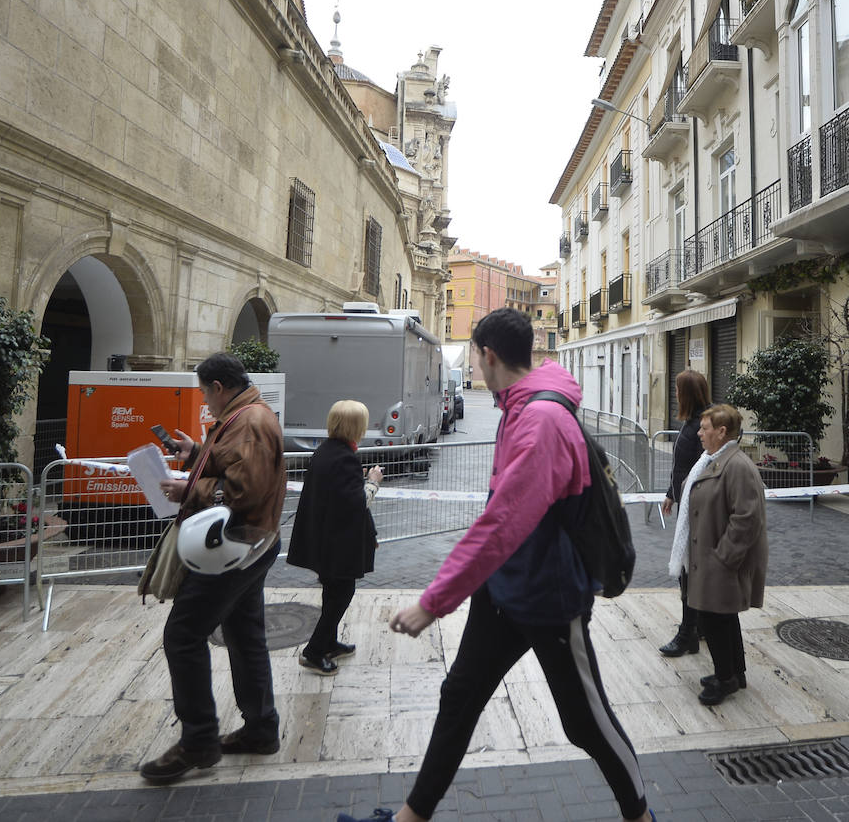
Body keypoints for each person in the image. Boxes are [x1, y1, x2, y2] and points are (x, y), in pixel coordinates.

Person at [336, 307, 654, 822]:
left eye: (477, 361)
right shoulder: (517, 408)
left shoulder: (543, 420)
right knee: (459, 697)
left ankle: (641, 817)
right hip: (504, 590)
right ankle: (409, 818)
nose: (477, 370)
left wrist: (433, 602)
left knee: (585, 722)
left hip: (550, 599)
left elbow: (503, 520)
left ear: (487, 355)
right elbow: (500, 515)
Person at [141, 352, 286, 783]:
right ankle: (261, 729)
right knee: (245, 635)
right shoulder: (246, 415)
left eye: (205, 392)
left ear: (219, 387)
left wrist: (190, 487)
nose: (205, 400)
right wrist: (197, 453)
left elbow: (244, 490)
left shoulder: (249, 422)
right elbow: (237, 464)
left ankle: (199, 740)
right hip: (252, 543)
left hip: (234, 547)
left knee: (182, 635)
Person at [675, 403, 768, 706]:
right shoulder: (716, 460)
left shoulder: (736, 465)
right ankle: (734, 672)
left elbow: (746, 518)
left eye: (704, 428)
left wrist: (723, 557)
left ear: (721, 431)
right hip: (712, 556)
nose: (699, 433)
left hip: (722, 560)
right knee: (722, 617)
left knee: (713, 619)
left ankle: (724, 678)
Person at [286, 399, 384, 675]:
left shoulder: (326, 451)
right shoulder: (345, 458)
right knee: (343, 592)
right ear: (355, 426)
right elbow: (356, 503)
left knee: (332, 591)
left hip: (323, 538)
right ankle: (314, 651)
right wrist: (373, 482)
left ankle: (329, 642)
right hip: (337, 543)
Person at [657, 369, 712, 657]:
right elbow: (682, 467)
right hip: (686, 504)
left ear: (687, 394)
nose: (675, 394)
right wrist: (670, 493)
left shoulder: (703, 426)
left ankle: (687, 634)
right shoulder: (693, 423)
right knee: (689, 570)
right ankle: (697, 626)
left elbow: (701, 469)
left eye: (678, 390)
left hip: (697, 511)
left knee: (688, 571)